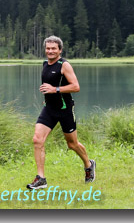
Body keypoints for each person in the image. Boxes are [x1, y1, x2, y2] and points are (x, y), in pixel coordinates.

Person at [27, 35, 95, 189]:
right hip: (49, 110)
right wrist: (47, 96)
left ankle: (89, 164)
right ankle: (41, 179)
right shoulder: (45, 64)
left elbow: (76, 86)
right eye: (48, 48)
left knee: (72, 144)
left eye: (53, 48)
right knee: (37, 139)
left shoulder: (64, 65)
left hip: (65, 109)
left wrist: (55, 90)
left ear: (60, 50)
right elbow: (48, 85)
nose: (50, 51)